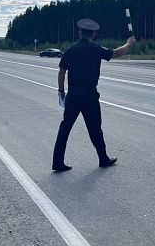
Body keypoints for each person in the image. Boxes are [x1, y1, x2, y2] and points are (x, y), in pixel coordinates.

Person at [52, 18, 136, 172]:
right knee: (95, 129)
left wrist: (61, 91)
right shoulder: (96, 49)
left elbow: (62, 71)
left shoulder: (71, 50)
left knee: (65, 128)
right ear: (93, 34)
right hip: (89, 96)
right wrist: (129, 44)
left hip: (74, 95)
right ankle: (103, 158)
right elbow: (116, 53)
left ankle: (57, 162)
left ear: (80, 32)